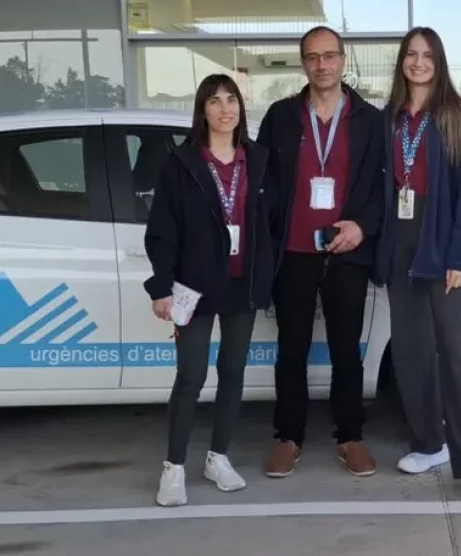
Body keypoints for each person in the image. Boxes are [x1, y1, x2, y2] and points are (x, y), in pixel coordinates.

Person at [373, 27, 461, 506]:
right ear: (401, 62)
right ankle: (430, 443)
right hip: (399, 244)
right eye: (411, 55)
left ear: (439, 61)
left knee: (457, 354)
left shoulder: (456, 116)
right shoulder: (389, 117)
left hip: (439, 241)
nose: (418, 63)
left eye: (427, 55)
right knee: (410, 350)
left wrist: (460, 257)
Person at [256, 25, 385, 478]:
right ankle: (287, 437)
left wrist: (362, 225)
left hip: (346, 250)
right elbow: (263, 185)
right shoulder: (280, 116)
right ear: (302, 63)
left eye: (330, 56)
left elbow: (380, 187)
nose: (322, 65)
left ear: (343, 60)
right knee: (290, 349)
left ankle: (350, 437)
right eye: (313, 57)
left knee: (345, 350)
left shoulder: (370, 120)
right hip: (292, 252)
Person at [144, 73, 276, 507]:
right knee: (191, 376)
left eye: (232, 100)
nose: (225, 109)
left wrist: (268, 274)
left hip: (242, 285)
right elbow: (162, 230)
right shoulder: (181, 163)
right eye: (215, 101)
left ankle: (217, 457)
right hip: (193, 286)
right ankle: (174, 466)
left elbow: (270, 223)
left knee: (233, 373)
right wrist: (162, 286)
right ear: (202, 110)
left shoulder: (257, 159)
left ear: (241, 107)